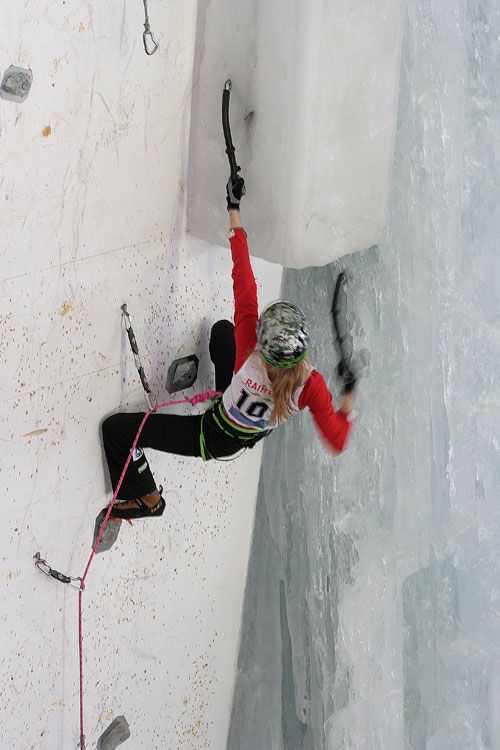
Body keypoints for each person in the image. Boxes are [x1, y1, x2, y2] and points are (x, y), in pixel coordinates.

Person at [101, 175, 356, 519]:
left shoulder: (250, 345)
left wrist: (233, 208)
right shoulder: (311, 387)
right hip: (245, 434)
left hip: (207, 436)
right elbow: (338, 440)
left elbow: (244, 278)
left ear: (263, 341)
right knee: (222, 333)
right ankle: (225, 396)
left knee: (117, 431)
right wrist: (349, 398)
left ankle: (147, 499)